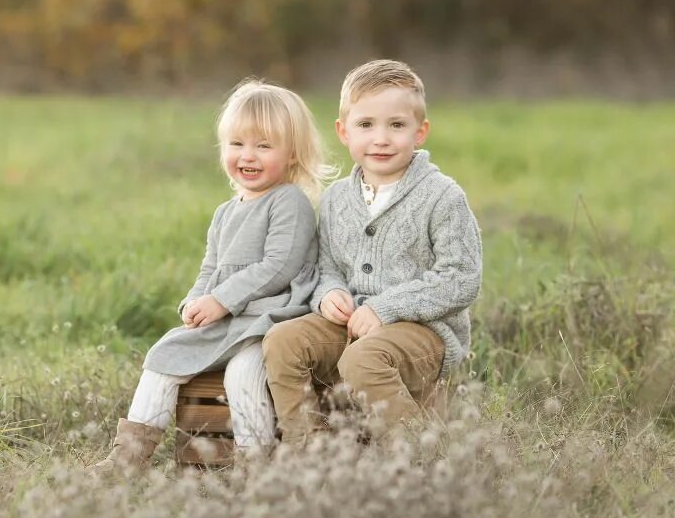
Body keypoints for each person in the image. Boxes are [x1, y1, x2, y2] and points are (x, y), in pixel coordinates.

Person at [91, 80, 331, 474]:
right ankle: (127, 458)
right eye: (237, 144)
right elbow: (211, 268)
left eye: (263, 146)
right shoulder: (225, 212)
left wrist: (221, 300)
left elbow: (278, 266)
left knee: (243, 373)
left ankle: (257, 464)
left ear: (292, 156)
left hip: (270, 319)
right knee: (163, 357)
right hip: (229, 320)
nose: (247, 156)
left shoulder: (289, 201)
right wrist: (194, 300)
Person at [263, 59, 483, 445]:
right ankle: (307, 450)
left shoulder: (442, 196)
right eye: (366, 125)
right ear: (343, 131)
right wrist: (328, 294)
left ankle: (419, 453)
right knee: (281, 341)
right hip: (349, 324)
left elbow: (461, 279)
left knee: (362, 359)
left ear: (420, 132)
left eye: (396, 125)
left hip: (423, 333)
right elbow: (326, 266)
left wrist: (384, 308)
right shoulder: (335, 200)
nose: (381, 138)